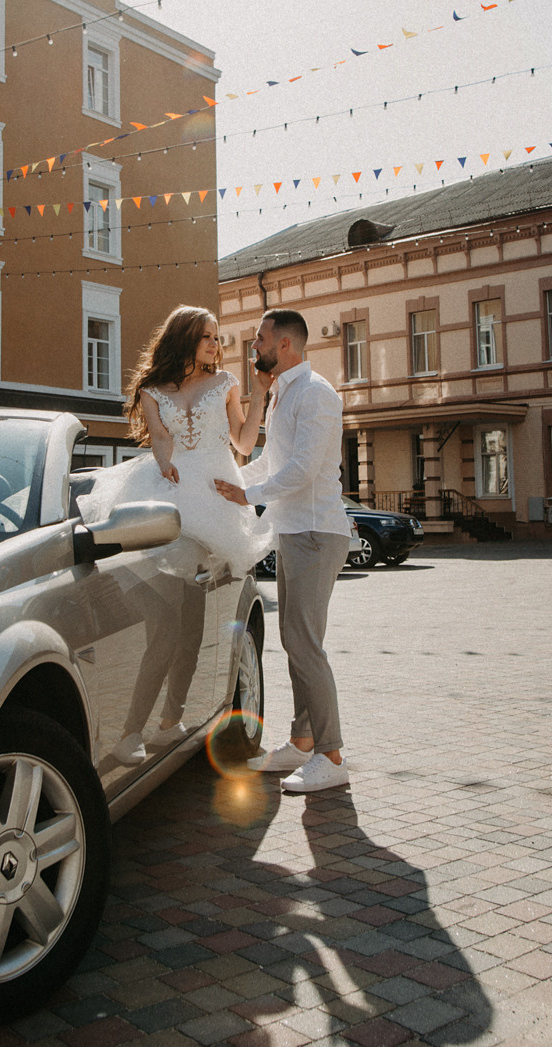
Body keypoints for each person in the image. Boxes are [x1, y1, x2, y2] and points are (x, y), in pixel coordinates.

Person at [77, 306, 274, 764]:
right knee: (167, 628)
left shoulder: (226, 384)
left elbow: (243, 444)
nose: (214, 344)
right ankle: (131, 732)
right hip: (168, 492)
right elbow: (161, 438)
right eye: (206, 336)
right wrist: (165, 461)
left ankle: (170, 722)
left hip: (213, 497)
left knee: (191, 627)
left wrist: (260, 395)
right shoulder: (152, 390)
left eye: (217, 337)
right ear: (184, 337)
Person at [213, 308, 350, 794]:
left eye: (260, 340)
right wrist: (229, 484)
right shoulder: (281, 395)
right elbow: (272, 461)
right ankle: (302, 741)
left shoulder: (317, 394)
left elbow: (303, 471)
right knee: (295, 641)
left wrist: (247, 496)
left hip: (317, 531)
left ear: (286, 345)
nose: (254, 348)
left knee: (304, 643)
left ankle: (331, 756)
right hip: (293, 532)